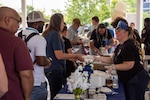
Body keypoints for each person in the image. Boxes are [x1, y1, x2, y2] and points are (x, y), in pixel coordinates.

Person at [96, 20, 149, 100]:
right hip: (129, 78)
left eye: (119, 30)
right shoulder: (121, 45)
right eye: (116, 30)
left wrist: (113, 67)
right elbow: (112, 59)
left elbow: (129, 64)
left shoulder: (128, 45)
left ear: (126, 32)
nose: (116, 32)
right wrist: (97, 58)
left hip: (135, 78)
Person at [42, 13, 84, 99]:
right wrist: (76, 56)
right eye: (62, 22)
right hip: (55, 69)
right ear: (58, 23)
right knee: (57, 95)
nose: (64, 24)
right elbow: (59, 55)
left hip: (49, 69)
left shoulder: (48, 33)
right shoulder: (55, 34)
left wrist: (72, 57)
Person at [0, 6, 34, 100]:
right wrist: (27, 97)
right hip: (11, 95)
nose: (18, 26)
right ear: (7, 20)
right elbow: (26, 75)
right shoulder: (15, 42)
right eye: (17, 21)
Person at [17, 11, 52, 100]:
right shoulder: (39, 39)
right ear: (36, 24)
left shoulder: (18, 35)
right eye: (42, 23)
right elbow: (40, 61)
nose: (44, 25)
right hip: (36, 82)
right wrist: (48, 61)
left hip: (20, 80)